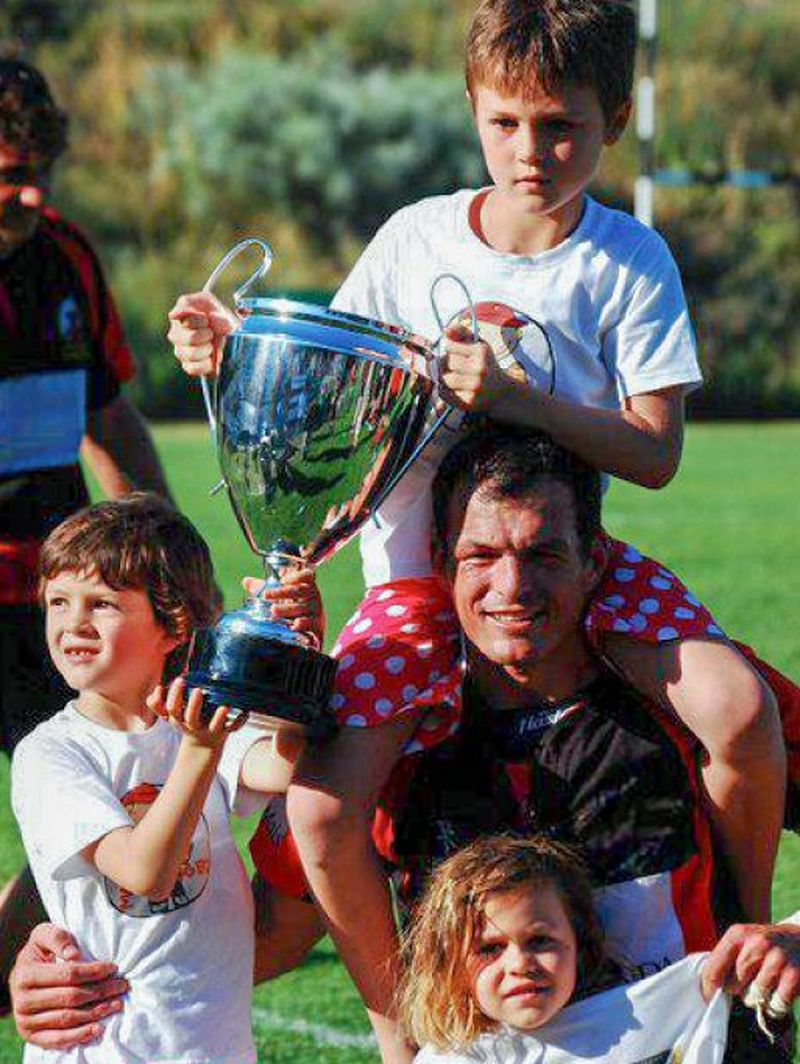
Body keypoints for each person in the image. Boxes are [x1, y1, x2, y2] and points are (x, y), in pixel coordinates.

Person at [166, 0, 785, 944]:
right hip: (415, 585)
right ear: (472, 111)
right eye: (504, 124)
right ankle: (397, 1030)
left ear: (614, 120)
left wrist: (519, 398)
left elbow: (656, 452)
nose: (530, 150)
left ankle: (741, 942)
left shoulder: (630, 258)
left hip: (570, 573)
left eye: (561, 127)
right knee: (324, 814)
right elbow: (328, 385)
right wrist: (232, 348)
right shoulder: (416, 237)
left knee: (738, 712)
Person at [8, 432, 800, 1061]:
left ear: (598, 562)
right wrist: (70, 965)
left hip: (682, 1043)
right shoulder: (388, 739)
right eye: (481, 556)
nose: (512, 589)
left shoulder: (689, 695)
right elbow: (256, 934)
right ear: (438, 565)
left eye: (544, 553)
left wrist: (790, 937)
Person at [10, 494, 305, 1063]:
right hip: (108, 1050)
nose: (73, 623)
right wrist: (199, 751)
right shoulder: (50, 753)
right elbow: (145, 872)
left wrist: (296, 653)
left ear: (172, 625)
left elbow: (285, 763)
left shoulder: (196, 719)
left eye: (102, 604)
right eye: (58, 601)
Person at [0, 57, 173, 1006]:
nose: (26, 191)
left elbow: (108, 418)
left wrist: (172, 558)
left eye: (38, 170)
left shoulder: (65, 257)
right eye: (3, 173)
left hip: (57, 604)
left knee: (83, 807)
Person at [401, 835, 733, 1063]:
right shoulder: (446, 1058)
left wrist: (786, 932)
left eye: (540, 940)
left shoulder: (645, 1011)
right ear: (450, 965)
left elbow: (738, 964)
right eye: (489, 948)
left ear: (579, 943)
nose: (520, 964)